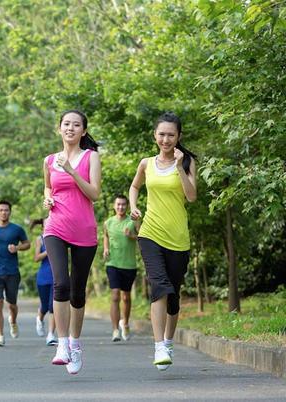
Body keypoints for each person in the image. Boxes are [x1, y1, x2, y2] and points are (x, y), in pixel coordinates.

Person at [129, 112, 197, 371]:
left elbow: (191, 197)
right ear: (154, 136)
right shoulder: (146, 163)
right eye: (162, 134)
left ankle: (168, 341)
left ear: (178, 136)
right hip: (150, 233)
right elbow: (135, 186)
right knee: (160, 286)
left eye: (171, 134)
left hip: (178, 237)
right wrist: (134, 207)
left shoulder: (188, 162)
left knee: (174, 295)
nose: (166, 139)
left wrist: (179, 167)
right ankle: (159, 346)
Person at [42, 110, 101, 375]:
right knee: (60, 284)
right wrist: (47, 199)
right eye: (66, 124)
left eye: (76, 125)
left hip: (84, 230)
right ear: (59, 128)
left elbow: (95, 193)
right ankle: (62, 344)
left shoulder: (91, 158)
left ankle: (75, 343)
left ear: (83, 132)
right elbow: (47, 187)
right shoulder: (49, 160)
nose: (70, 128)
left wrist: (72, 172)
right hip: (55, 226)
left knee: (77, 291)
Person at [0, 200, 31, 347]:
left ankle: (13, 321)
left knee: (12, 305)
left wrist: (17, 248)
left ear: (10, 212)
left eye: (6, 210)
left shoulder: (17, 229)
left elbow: (27, 244)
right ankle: (0, 336)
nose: (4, 212)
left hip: (12, 271)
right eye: (1, 210)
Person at [103, 195, 140, 342]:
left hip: (129, 264)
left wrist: (132, 236)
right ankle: (115, 330)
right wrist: (105, 248)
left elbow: (142, 236)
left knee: (126, 297)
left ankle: (125, 323)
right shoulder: (108, 222)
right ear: (114, 205)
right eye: (118, 204)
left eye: (124, 205)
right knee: (115, 296)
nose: (121, 207)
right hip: (112, 263)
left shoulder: (133, 220)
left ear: (127, 206)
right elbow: (105, 236)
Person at [30, 219, 57, 346]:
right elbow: (36, 258)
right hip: (43, 277)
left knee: (54, 307)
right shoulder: (40, 239)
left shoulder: (59, 237)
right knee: (45, 306)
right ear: (43, 226)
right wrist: (48, 250)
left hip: (56, 276)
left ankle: (51, 335)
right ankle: (39, 319)